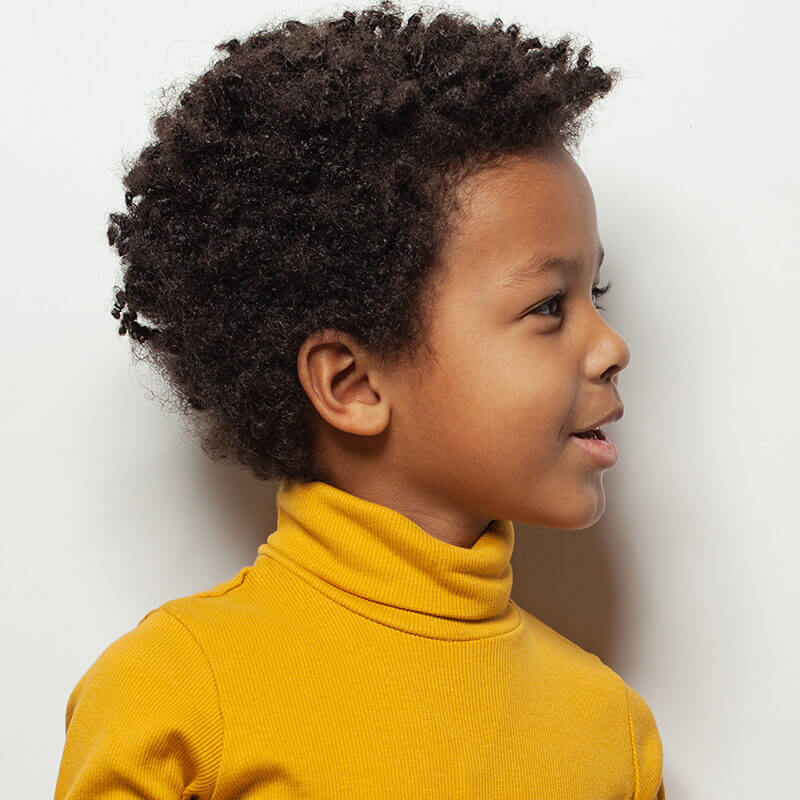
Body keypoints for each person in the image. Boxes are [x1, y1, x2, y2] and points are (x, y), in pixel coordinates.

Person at [54, 2, 665, 797]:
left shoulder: (613, 731)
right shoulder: (178, 694)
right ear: (353, 384)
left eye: (599, 292)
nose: (613, 346)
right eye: (549, 306)